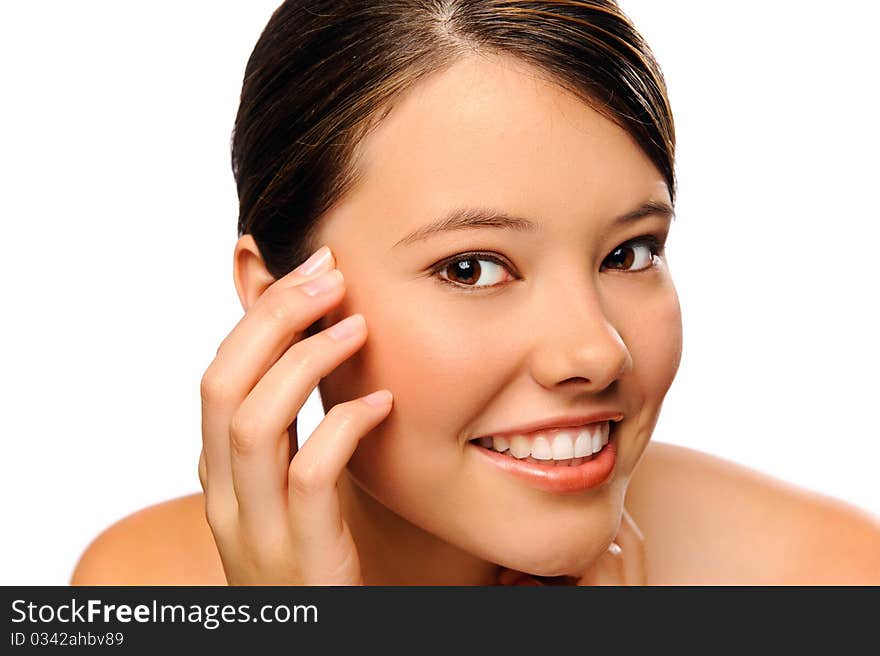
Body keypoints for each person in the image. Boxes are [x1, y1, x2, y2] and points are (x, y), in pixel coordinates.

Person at [71, 0, 879, 586]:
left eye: (629, 252)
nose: (598, 352)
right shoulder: (135, 587)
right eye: (471, 268)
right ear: (281, 298)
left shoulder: (833, 578)